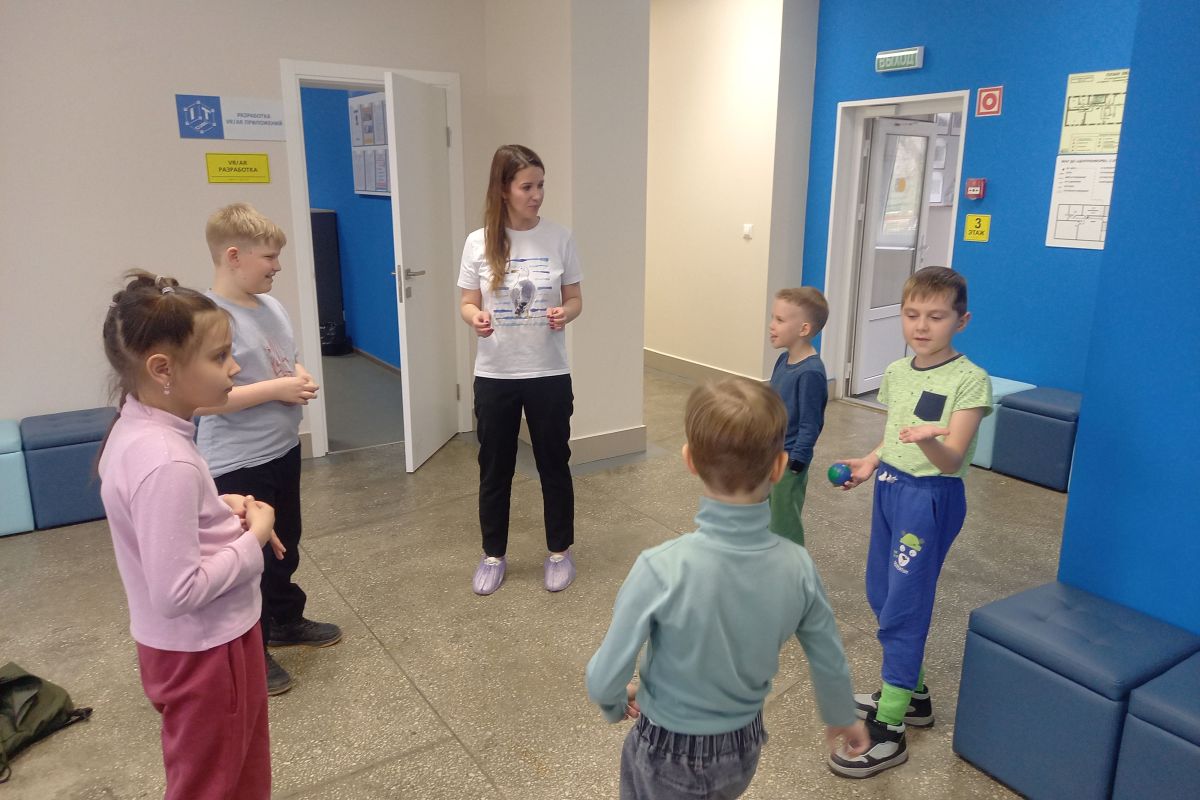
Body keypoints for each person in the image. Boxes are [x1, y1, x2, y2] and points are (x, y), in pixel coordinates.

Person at [586, 378, 867, 799]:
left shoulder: (660, 568)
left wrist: (613, 704)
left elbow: (602, 677)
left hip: (668, 749)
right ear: (778, 467)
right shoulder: (798, 566)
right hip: (742, 746)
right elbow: (828, 654)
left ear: (689, 460)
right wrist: (842, 715)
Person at [98, 271, 284, 799]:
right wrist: (252, 539)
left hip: (191, 648)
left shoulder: (139, 430)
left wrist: (217, 507)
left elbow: (154, 521)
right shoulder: (166, 460)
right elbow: (177, 590)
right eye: (220, 356)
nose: (235, 367)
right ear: (163, 369)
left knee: (235, 771)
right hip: (206, 653)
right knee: (216, 784)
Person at [828, 266, 991, 778]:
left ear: (961, 321)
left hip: (931, 497)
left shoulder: (970, 380)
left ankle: (892, 726)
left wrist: (928, 441)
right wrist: (870, 461)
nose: (921, 326)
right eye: (912, 314)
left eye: (936, 316)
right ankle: (914, 695)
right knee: (881, 592)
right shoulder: (898, 372)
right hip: (890, 488)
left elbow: (952, 458)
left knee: (905, 604)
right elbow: (896, 433)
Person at [196, 203, 341, 695]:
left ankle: (284, 620)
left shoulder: (271, 306)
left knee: (285, 543)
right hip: (239, 460)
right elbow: (206, 401)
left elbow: (287, 360)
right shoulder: (210, 319)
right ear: (233, 256)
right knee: (249, 558)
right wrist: (279, 389)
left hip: (281, 448)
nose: (277, 266)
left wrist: (297, 377)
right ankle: (250, 650)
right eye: (269, 257)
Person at [457, 144, 583, 595]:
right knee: (495, 468)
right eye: (527, 186)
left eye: (541, 185)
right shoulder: (478, 242)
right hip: (496, 375)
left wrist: (566, 313)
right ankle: (493, 554)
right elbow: (467, 302)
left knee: (554, 464)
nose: (537, 195)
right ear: (504, 189)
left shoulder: (560, 238)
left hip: (548, 373)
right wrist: (475, 318)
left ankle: (559, 551)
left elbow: (575, 299)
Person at [767, 287, 830, 547]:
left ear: (804, 329)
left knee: (784, 523)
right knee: (765, 515)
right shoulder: (783, 360)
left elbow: (810, 423)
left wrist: (797, 462)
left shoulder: (810, 373)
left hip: (789, 460)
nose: (771, 325)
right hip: (769, 454)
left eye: (780, 320)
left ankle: (791, 565)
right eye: (773, 317)